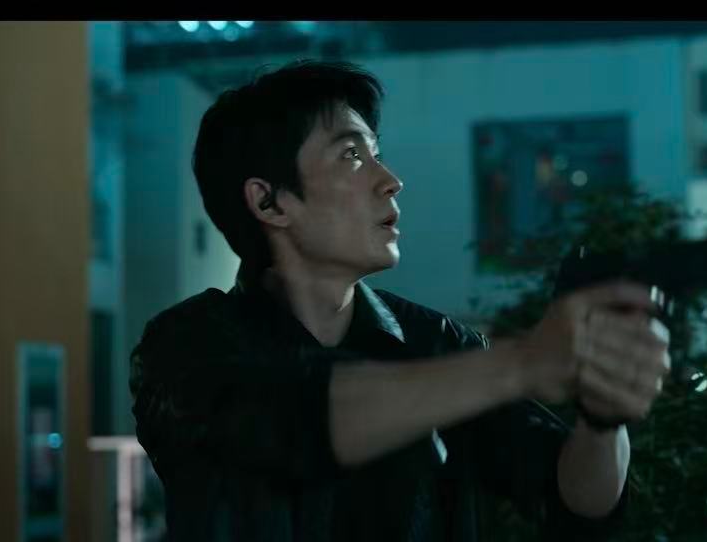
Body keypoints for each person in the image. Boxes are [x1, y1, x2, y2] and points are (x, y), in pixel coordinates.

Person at [129, 60, 671, 541]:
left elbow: (576, 499)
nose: (391, 181)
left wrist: (603, 416)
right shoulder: (187, 348)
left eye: (378, 155)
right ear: (269, 202)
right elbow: (299, 422)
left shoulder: (438, 343)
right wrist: (523, 362)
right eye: (351, 155)